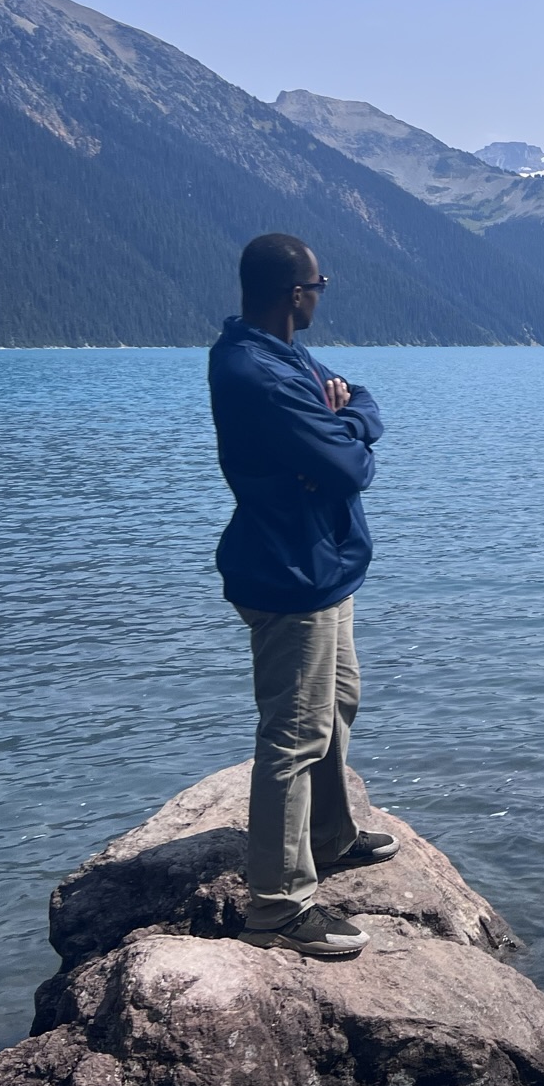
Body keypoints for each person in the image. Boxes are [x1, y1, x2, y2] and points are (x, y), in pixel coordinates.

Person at [208, 233, 397, 959]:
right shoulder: (259, 372)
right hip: (292, 575)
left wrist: (347, 415)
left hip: (322, 564)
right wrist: (346, 425)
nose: (322, 294)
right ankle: (279, 905)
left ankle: (329, 833)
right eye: (320, 284)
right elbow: (351, 465)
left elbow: (367, 404)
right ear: (296, 294)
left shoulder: (279, 354)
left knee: (339, 696)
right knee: (292, 731)